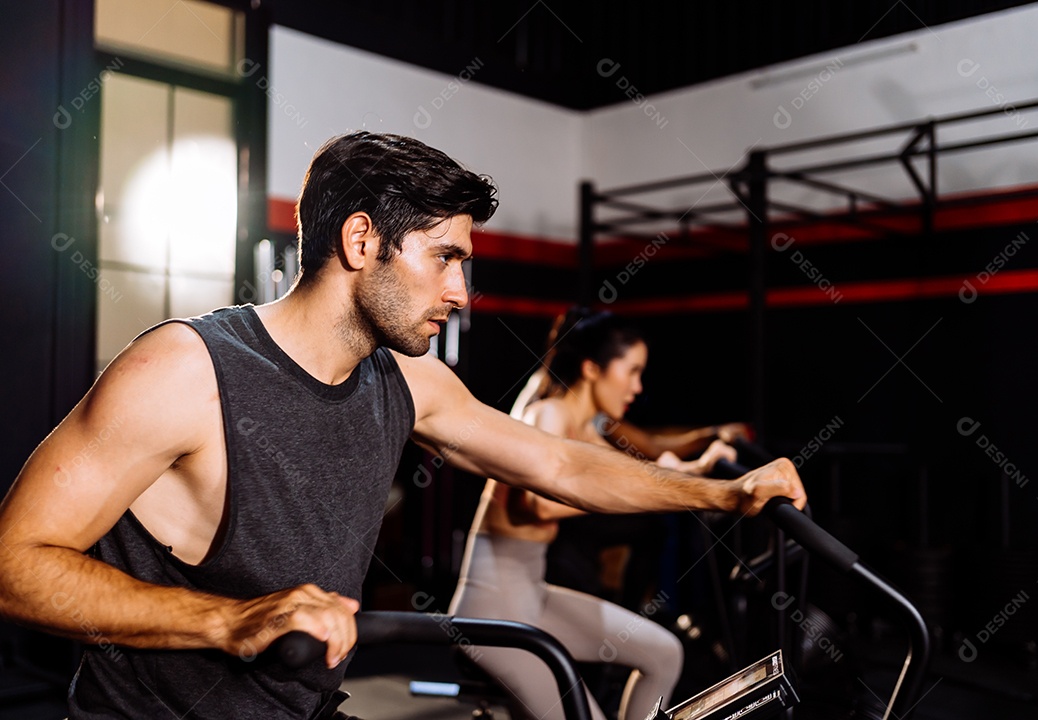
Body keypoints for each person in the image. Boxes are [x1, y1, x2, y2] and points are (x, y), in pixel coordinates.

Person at [0, 131, 805, 720]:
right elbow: (14, 563)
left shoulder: (408, 381)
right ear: (361, 241)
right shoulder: (184, 370)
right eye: (445, 257)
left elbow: (558, 466)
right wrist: (225, 619)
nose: (462, 292)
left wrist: (721, 494)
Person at [448, 308, 739, 720]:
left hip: (531, 594)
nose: (638, 387)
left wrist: (702, 468)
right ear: (591, 369)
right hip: (492, 613)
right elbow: (539, 502)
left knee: (664, 653)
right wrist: (638, 486)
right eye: (632, 371)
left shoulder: (587, 429)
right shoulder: (547, 414)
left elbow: (636, 474)